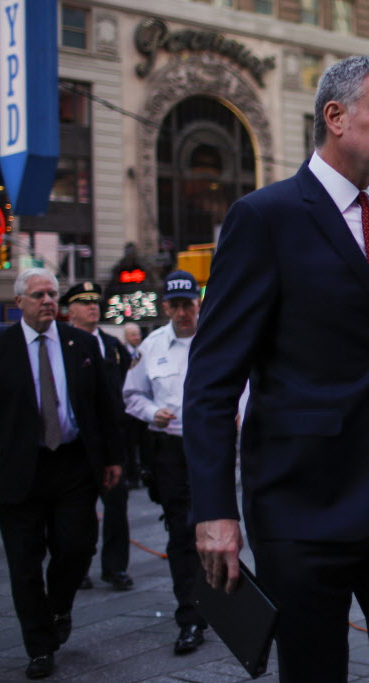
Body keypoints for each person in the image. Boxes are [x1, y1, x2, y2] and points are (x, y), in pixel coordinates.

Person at [183, 55, 369, 683]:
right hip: (303, 504)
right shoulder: (265, 218)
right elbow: (211, 380)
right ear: (335, 117)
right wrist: (214, 511)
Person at [0, 268, 122, 680]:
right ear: (20, 304)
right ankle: (39, 645)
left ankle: (60, 605)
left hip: (72, 465)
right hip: (18, 470)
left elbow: (106, 405)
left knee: (77, 546)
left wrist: (114, 458)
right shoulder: (0, 349)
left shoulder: (81, 344)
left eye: (52, 293)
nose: (48, 300)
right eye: (38, 295)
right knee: (24, 565)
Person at [122, 270, 207, 655]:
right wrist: (152, 411)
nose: (182, 313)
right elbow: (131, 395)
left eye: (187, 304)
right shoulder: (153, 345)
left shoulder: (217, 338)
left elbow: (246, 386)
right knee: (180, 533)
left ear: (198, 303)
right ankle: (190, 618)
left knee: (217, 528)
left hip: (213, 448)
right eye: (175, 305)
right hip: (171, 451)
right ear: (166, 307)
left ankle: (224, 604)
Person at [62, 282, 135, 592]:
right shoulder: (62, 345)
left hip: (114, 439)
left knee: (117, 506)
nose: (93, 307)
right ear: (70, 310)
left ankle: (115, 567)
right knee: (79, 512)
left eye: (95, 302)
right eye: (84, 303)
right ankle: (79, 567)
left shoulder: (113, 346)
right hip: (80, 443)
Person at [120, 323, 146, 488]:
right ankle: (132, 473)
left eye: (138, 334)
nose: (137, 337)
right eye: (133, 335)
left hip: (144, 407)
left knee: (143, 441)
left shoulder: (146, 349)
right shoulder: (121, 352)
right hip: (128, 407)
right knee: (130, 443)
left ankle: (143, 470)